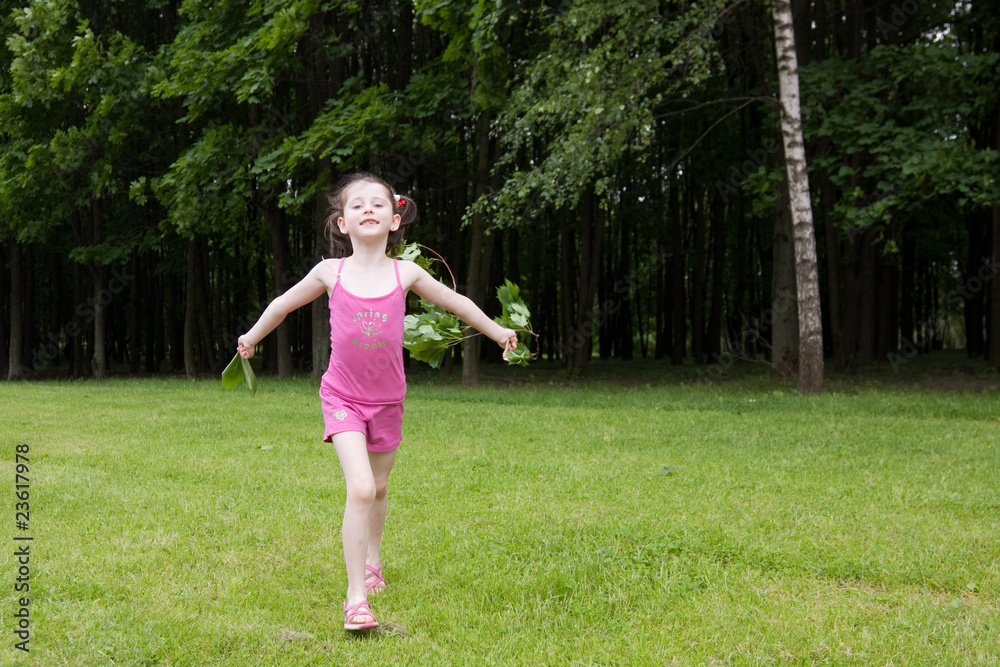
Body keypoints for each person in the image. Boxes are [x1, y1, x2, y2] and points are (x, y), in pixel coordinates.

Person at [236, 173, 518, 631]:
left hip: (389, 401)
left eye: (378, 204)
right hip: (342, 396)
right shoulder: (331, 272)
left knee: (380, 488)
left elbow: (458, 303)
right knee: (362, 488)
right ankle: (355, 600)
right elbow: (283, 304)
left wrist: (498, 332)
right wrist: (251, 337)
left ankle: (372, 560)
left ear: (394, 218)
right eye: (358, 205)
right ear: (342, 223)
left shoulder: (405, 272)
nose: (368, 209)